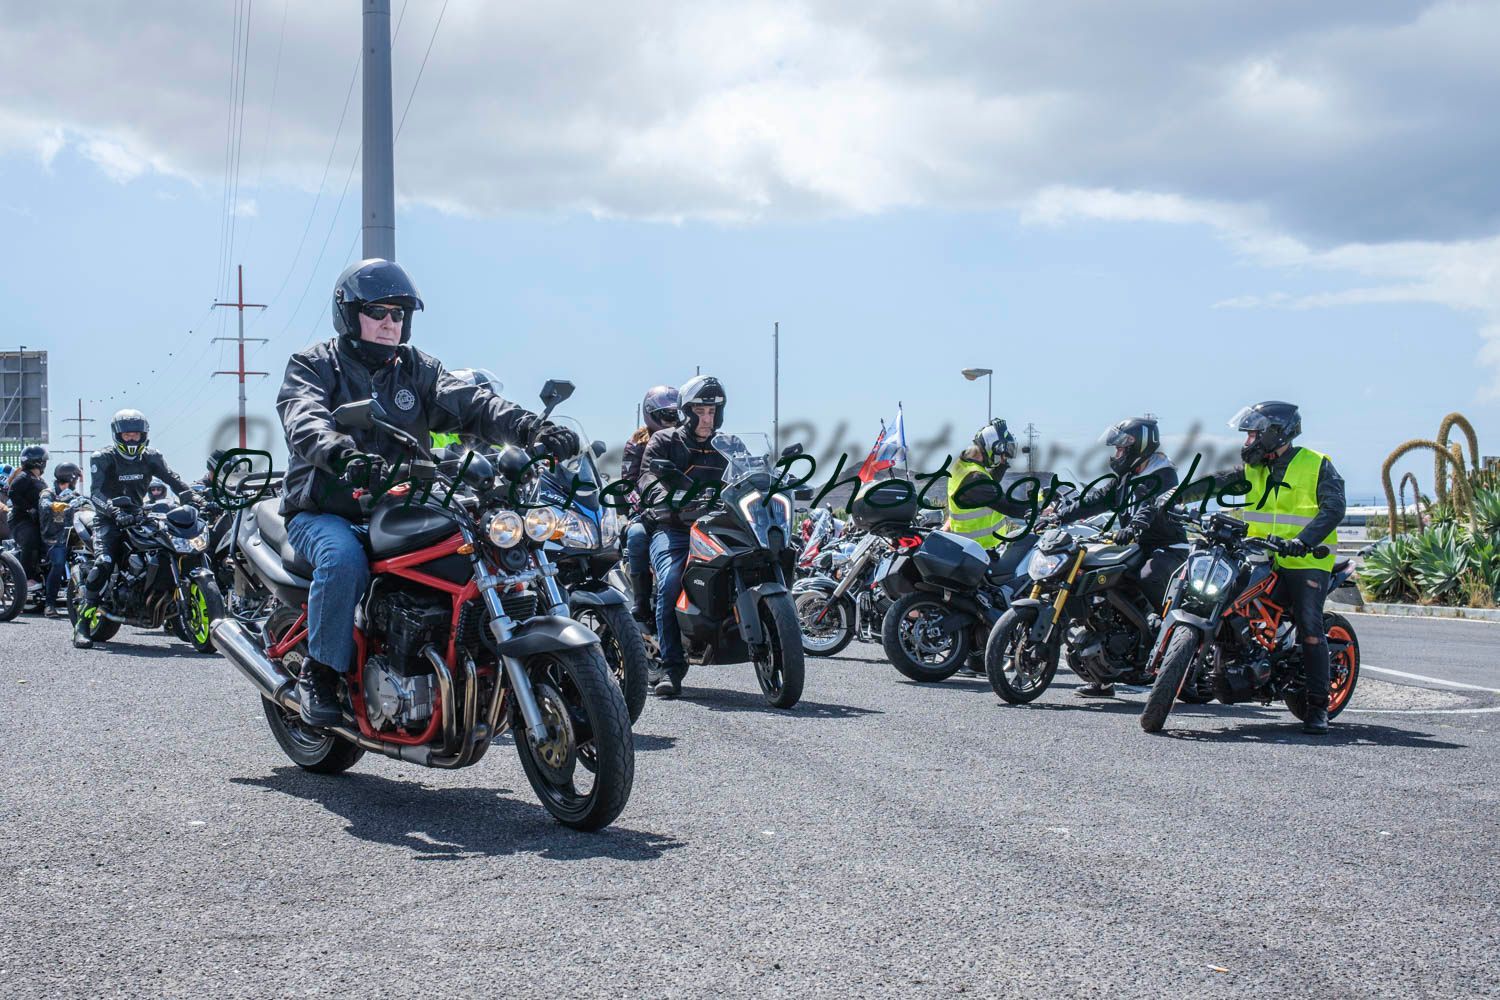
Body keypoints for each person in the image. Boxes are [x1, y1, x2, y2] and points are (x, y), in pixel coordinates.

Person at [276, 258, 578, 727]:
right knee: (342, 560)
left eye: (398, 314)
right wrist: (344, 458)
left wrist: (529, 428)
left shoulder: (418, 369)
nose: (389, 323)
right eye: (377, 311)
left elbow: (474, 404)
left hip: (399, 503)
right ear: (349, 313)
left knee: (472, 543)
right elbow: (304, 418)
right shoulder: (314, 364)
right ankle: (319, 673)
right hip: (325, 508)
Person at [1174, 402, 1345, 734]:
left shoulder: (1316, 464)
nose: (1248, 441)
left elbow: (1334, 508)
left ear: (1275, 433)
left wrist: (1305, 541)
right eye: (1248, 435)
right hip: (1259, 556)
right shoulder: (1255, 469)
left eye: (1253, 434)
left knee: (1310, 628)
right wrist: (1174, 497)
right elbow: (1216, 482)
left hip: (1305, 561)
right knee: (1224, 602)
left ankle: (1317, 707)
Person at [1050, 416, 1185, 696]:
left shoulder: (1163, 473)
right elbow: (1094, 499)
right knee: (1098, 588)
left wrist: (1135, 526)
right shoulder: (1126, 478)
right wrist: (1057, 516)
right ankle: (1103, 673)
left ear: (1140, 446)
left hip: (1167, 547)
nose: (1117, 454)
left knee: (1148, 576)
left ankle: (1166, 638)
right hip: (1134, 547)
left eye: (1121, 448)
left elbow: (1151, 506)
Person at [637, 375, 729, 698]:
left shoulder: (726, 447)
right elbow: (647, 477)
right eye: (701, 412)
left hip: (717, 527)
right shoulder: (665, 441)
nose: (708, 419)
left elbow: (747, 474)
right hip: (674, 528)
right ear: (687, 412)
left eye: (713, 412)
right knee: (671, 579)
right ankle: (671, 667)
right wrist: (667, 496)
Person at [76, 411, 198, 646]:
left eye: (136, 435)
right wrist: (114, 511)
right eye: (127, 435)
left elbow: (173, 480)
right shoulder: (102, 457)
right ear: (117, 436)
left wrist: (193, 498)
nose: (132, 440)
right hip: (108, 518)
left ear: (144, 436)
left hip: (139, 515)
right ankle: (83, 622)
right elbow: (96, 493)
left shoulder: (152, 457)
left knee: (172, 548)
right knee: (104, 561)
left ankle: (171, 612)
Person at [943, 420, 1034, 674]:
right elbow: (1005, 504)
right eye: (1002, 451)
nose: (1004, 457)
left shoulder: (964, 466)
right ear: (992, 446)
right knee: (1000, 598)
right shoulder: (974, 477)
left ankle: (975, 659)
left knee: (980, 604)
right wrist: (1037, 509)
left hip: (968, 547)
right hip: (981, 549)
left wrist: (1001, 466)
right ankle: (990, 655)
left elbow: (987, 488)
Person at [621, 385, 679, 632]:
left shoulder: (684, 438)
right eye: (667, 414)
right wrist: (645, 507)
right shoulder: (637, 442)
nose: (672, 420)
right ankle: (642, 603)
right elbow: (628, 484)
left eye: (676, 414)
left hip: (683, 506)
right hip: (648, 511)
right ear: (651, 414)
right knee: (635, 536)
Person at [40, 462, 82, 616]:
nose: (76, 481)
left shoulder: (73, 494)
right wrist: (63, 505)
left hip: (73, 537)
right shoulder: (48, 492)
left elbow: (85, 505)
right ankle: (49, 605)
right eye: (76, 477)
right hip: (53, 538)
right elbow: (45, 506)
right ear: (70, 477)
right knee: (58, 564)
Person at [8, 446, 49, 589]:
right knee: (31, 539)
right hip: (21, 521)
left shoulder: (40, 480)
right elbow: (13, 493)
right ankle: (26, 578)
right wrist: (28, 508)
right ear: (38, 462)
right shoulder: (24, 476)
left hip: (37, 521)